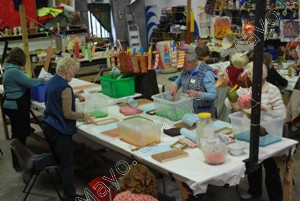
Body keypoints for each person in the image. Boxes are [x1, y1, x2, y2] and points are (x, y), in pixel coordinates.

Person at [225, 62, 285, 201]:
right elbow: (228, 101)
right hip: (248, 132)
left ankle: (276, 198)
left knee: (271, 169)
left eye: (249, 74)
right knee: (253, 164)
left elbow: (282, 113)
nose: (246, 76)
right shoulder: (246, 87)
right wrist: (234, 103)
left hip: (268, 135)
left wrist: (267, 110)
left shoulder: (272, 90)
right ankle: (254, 191)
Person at [41, 58, 92, 201]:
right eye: (74, 72)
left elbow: (58, 96)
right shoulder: (65, 88)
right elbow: (68, 113)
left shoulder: (52, 81)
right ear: (67, 70)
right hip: (59, 129)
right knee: (67, 164)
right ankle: (70, 196)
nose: (74, 75)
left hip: (48, 124)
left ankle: (35, 163)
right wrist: (83, 115)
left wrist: (74, 95)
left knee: (58, 156)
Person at [3, 47, 48, 172]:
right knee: (18, 135)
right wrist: (43, 79)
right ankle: (18, 162)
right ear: (20, 59)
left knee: (20, 132)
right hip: (15, 106)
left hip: (13, 105)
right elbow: (30, 83)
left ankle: (19, 158)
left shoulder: (10, 69)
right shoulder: (14, 72)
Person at [170, 44, 217, 115]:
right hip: (187, 112)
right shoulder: (185, 70)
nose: (182, 66)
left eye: (183, 64)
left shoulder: (206, 72)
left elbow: (213, 95)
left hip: (204, 115)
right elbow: (178, 81)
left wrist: (198, 94)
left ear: (192, 61)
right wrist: (174, 86)